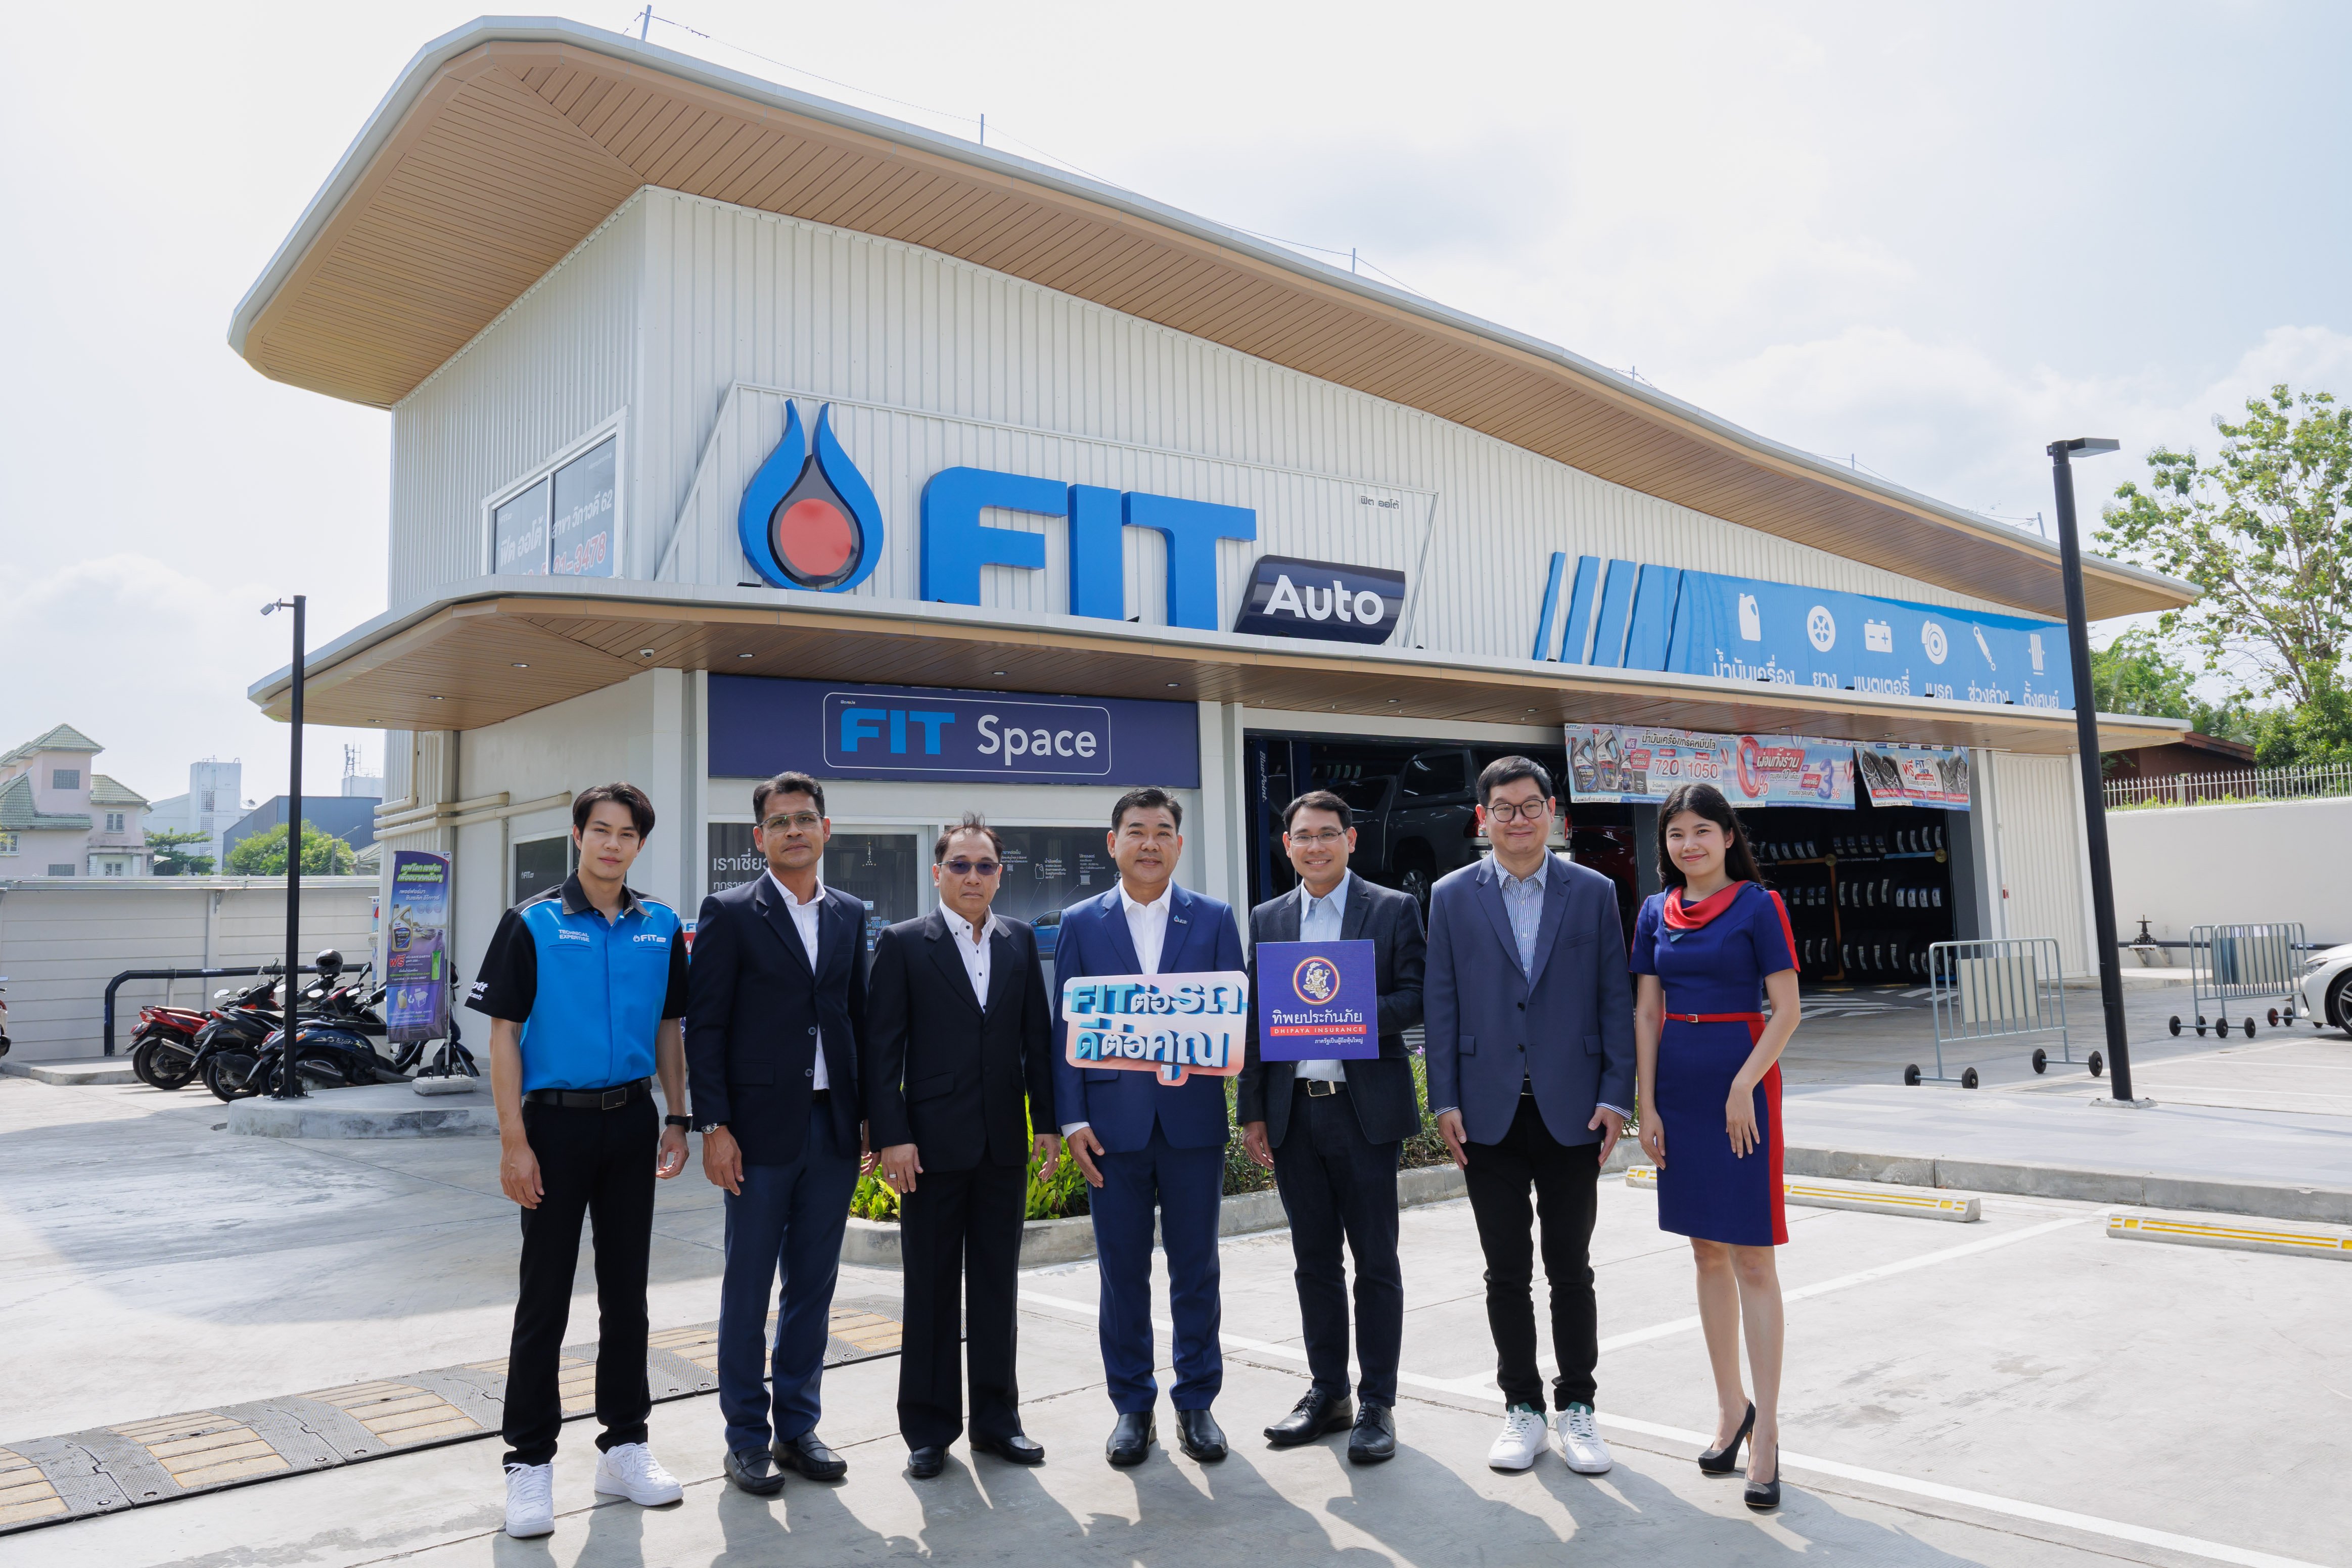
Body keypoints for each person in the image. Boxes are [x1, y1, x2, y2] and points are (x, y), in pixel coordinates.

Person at [468, 781, 691, 1540]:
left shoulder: (661, 925)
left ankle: (624, 1446)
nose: (612, 845)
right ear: (577, 834)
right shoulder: (531, 922)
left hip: (631, 1122)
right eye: (601, 830)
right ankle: (529, 1462)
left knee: (627, 1295)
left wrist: (678, 1115)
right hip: (553, 1127)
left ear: (639, 844)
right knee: (546, 1299)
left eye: (627, 834)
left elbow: (669, 1027)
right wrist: (514, 1140)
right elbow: (503, 1034)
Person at [1423, 756, 1635, 1475]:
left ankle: (1578, 1407)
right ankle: (1522, 1407)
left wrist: (1616, 1095)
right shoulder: (1451, 895)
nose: (1518, 819)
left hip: (1573, 1109)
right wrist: (1444, 1099)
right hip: (1485, 1113)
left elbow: (1614, 997)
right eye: (1503, 809)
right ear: (1482, 819)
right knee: (1505, 1270)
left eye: (1530, 806)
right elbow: (1441, 1003)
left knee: (1570, 1267)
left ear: (1553, 814)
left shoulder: (1593, 891)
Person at [1051, 786, 1247, 1467]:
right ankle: (1132, 1407)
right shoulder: (1081, 922)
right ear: (1113, 843)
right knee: (1122, 1274)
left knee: (1196, 1270)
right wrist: (1071, 1118)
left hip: (1192, 1123)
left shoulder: (1214, 918)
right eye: (1136, 830)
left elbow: (1236, 1019)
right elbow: (1065, 1025)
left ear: (1179, 844)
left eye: (1163, 831)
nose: (1149, 843)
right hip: (1112, 1128)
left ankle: (1197, 1403)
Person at [862, 813, 1062, 1479]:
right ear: (937, 872)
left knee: (998, 1287)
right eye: (960, 865)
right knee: (930, 1290)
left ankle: (998, 1422)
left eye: (984, 866)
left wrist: (1046, 1122)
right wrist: (892, 1134)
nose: (972, 876)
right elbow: (881, 1049)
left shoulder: (1018, 939)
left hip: (1003, 1143)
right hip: (928, 1148)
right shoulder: (903, 943)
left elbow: (1037, 1039)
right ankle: (928, 1429)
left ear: (999, 875)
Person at [685, 770, 868, 1496]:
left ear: (826, 829)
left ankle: (797, 1426)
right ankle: (745, 1437)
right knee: (749, 1287)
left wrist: (869, 1118)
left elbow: (857, 1017)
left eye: (806, 818)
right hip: (756, 1133)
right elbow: (706, 1026)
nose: (795, 830)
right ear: (759, 837)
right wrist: (714, 1124)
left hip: (832, 1127)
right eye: (781, 821)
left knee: (813, 1287)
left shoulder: (849, 912)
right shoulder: (731, 912)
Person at [1237, 789, 1426, 1465]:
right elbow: (1257, 1018)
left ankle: (1377, 1402)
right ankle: (1328, 1392)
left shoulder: (1393, 907)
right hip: (1294, 1112)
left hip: (1362, 1110)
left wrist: (1347, 1009)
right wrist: (1252, 1111)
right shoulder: (1268, 917)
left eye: (1326, 834)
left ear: (1350, 839)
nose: (1314, 846)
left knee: (1375, 1261)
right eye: (1302, 836)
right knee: (1313, 1261)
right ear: (1286, 846)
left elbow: (1417, 996)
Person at [1631, 781, 1801, 1513]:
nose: (1689, 844)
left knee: (1752, 1256)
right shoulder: (1654, 911)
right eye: (1676, 833)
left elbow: (1787, 1009)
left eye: (1702, 830)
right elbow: (1646, 1011)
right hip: (1678, 1085)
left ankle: (1769, 1433)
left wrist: (1743, 1084)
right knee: (1704, 1251)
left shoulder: (1760, 907)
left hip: (1743, 1079)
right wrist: (1646, 1103)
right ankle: (1731, 1410)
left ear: (1728, 836)